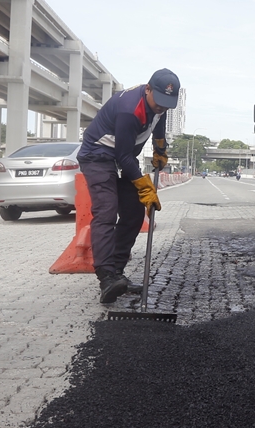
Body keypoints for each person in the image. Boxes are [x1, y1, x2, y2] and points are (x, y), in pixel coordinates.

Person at [77, 69, 181, 303]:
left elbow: (159, 119)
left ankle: (117, 273)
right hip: (98, 155)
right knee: (106, 210)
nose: (162, 108)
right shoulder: (129, 111)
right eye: (159, 102)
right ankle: (106, 278)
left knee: (134, 212)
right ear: (147, 89)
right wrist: (145, 187)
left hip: (119, 154)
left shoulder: (160, 105)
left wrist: (160, 148)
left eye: (167, 104)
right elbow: (124, 157)